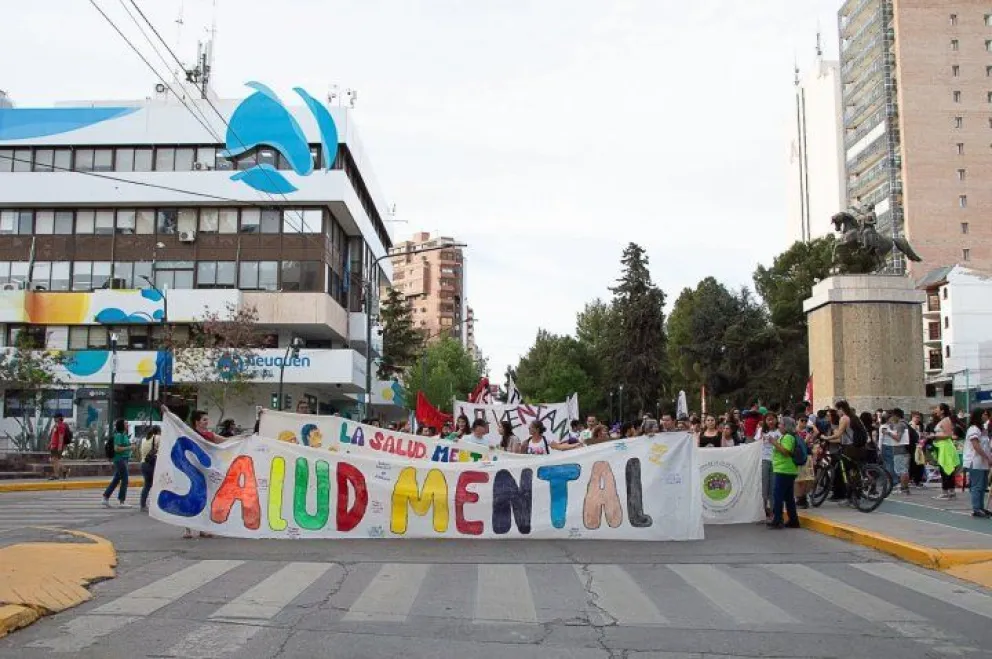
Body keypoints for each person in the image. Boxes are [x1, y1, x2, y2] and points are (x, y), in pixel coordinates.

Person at [184, 410, 223, 539]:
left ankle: (203, 529)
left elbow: (226, 441)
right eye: (204, 420)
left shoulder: (209, 435)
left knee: (205, 499)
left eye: (207, 419)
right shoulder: (189, 434)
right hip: (190, 471)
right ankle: (187, 529)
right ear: (197, 422)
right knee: (190, 499)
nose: (207, 422)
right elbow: (176, 425)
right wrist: (167, 413)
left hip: (205, 472)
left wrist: (245, 438)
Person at [768, 416, 801, 529]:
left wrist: (774, 443)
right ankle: (793, 520)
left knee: (778, 496)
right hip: (787, 470)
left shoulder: (788, 437)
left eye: (781, 424)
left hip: (784, 470)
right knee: (788, 497)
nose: (779, 425)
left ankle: (777, 520)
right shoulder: (787, 437)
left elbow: (786, 452)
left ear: (786, 426)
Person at [964, 409, 992, 517]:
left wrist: (989, 457)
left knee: (983, 486)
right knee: (977, 486)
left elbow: (986, 446)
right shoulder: (973, 429)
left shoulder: (983, 429)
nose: (985, 416)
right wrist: (987, 457)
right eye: (983, 414)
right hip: (975, 461)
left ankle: (981, 507)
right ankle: (976, 508)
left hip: (983, 462)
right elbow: (976, 446)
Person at [102, 419, 132, 509]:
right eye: (126, 423)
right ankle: (122, 501)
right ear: (122, 425)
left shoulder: (124, 435)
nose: (127, 425)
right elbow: (117, 448)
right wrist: (129, 447)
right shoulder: (119, 435)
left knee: (116, 479)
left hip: (124, 459)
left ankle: (105, 498)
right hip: (120, 459)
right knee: (125, 480)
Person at [880, 408, 911, 495]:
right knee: (904, 469)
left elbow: (898, 438)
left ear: (896, 416)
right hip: (904, 449)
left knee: (901, 470)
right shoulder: (904, 423)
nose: (891, 418)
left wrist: (887, 433)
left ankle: (903, 488)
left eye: (892, 416)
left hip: (900, 450)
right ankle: (905, 488)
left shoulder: (900, 425)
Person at [932, 403, 960, 500]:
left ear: (942, 410)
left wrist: (934, 436)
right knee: (945, 469)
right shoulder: (943, 420)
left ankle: (946, 491)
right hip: (942, 446)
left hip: (946, 447)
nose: (935, 410)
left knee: (946, 469)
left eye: (937, 408)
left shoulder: (946, 420)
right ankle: (950, 491)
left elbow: (948, 435)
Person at [759, 412, 780, 519]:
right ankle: (762, 511)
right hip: (764, 460)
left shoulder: (780, 432)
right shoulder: (761, 431)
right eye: (768, 420)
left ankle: (772, 511)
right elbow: (755, 444)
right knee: (764, 487)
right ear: (765, 421)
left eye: (773, 419)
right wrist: (760, 439)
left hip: (776, 461)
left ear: (776, 420)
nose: (771, 421)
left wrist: (775, 442)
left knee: (773, 487)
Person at [139, 425, 161, 512]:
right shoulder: (158, 438)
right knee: (158, 484)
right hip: (152, 465)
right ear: (158, 431)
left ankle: (143, 505)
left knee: (147, 485)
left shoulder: (144, 439)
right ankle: (157, 504)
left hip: (143, 464)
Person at [48, 413, 70, 480]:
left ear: (59, 418)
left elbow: (61, 436)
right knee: (53, 460)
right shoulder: (55, 425)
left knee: (55, 460)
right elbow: (53, 436)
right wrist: (50, 444)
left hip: (57, 446)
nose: (54, 419)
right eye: (54, 417)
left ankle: (56, 475)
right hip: (53, 445)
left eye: (55, 417)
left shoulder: (61, 426)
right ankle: (65, 470)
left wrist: (60, 447)